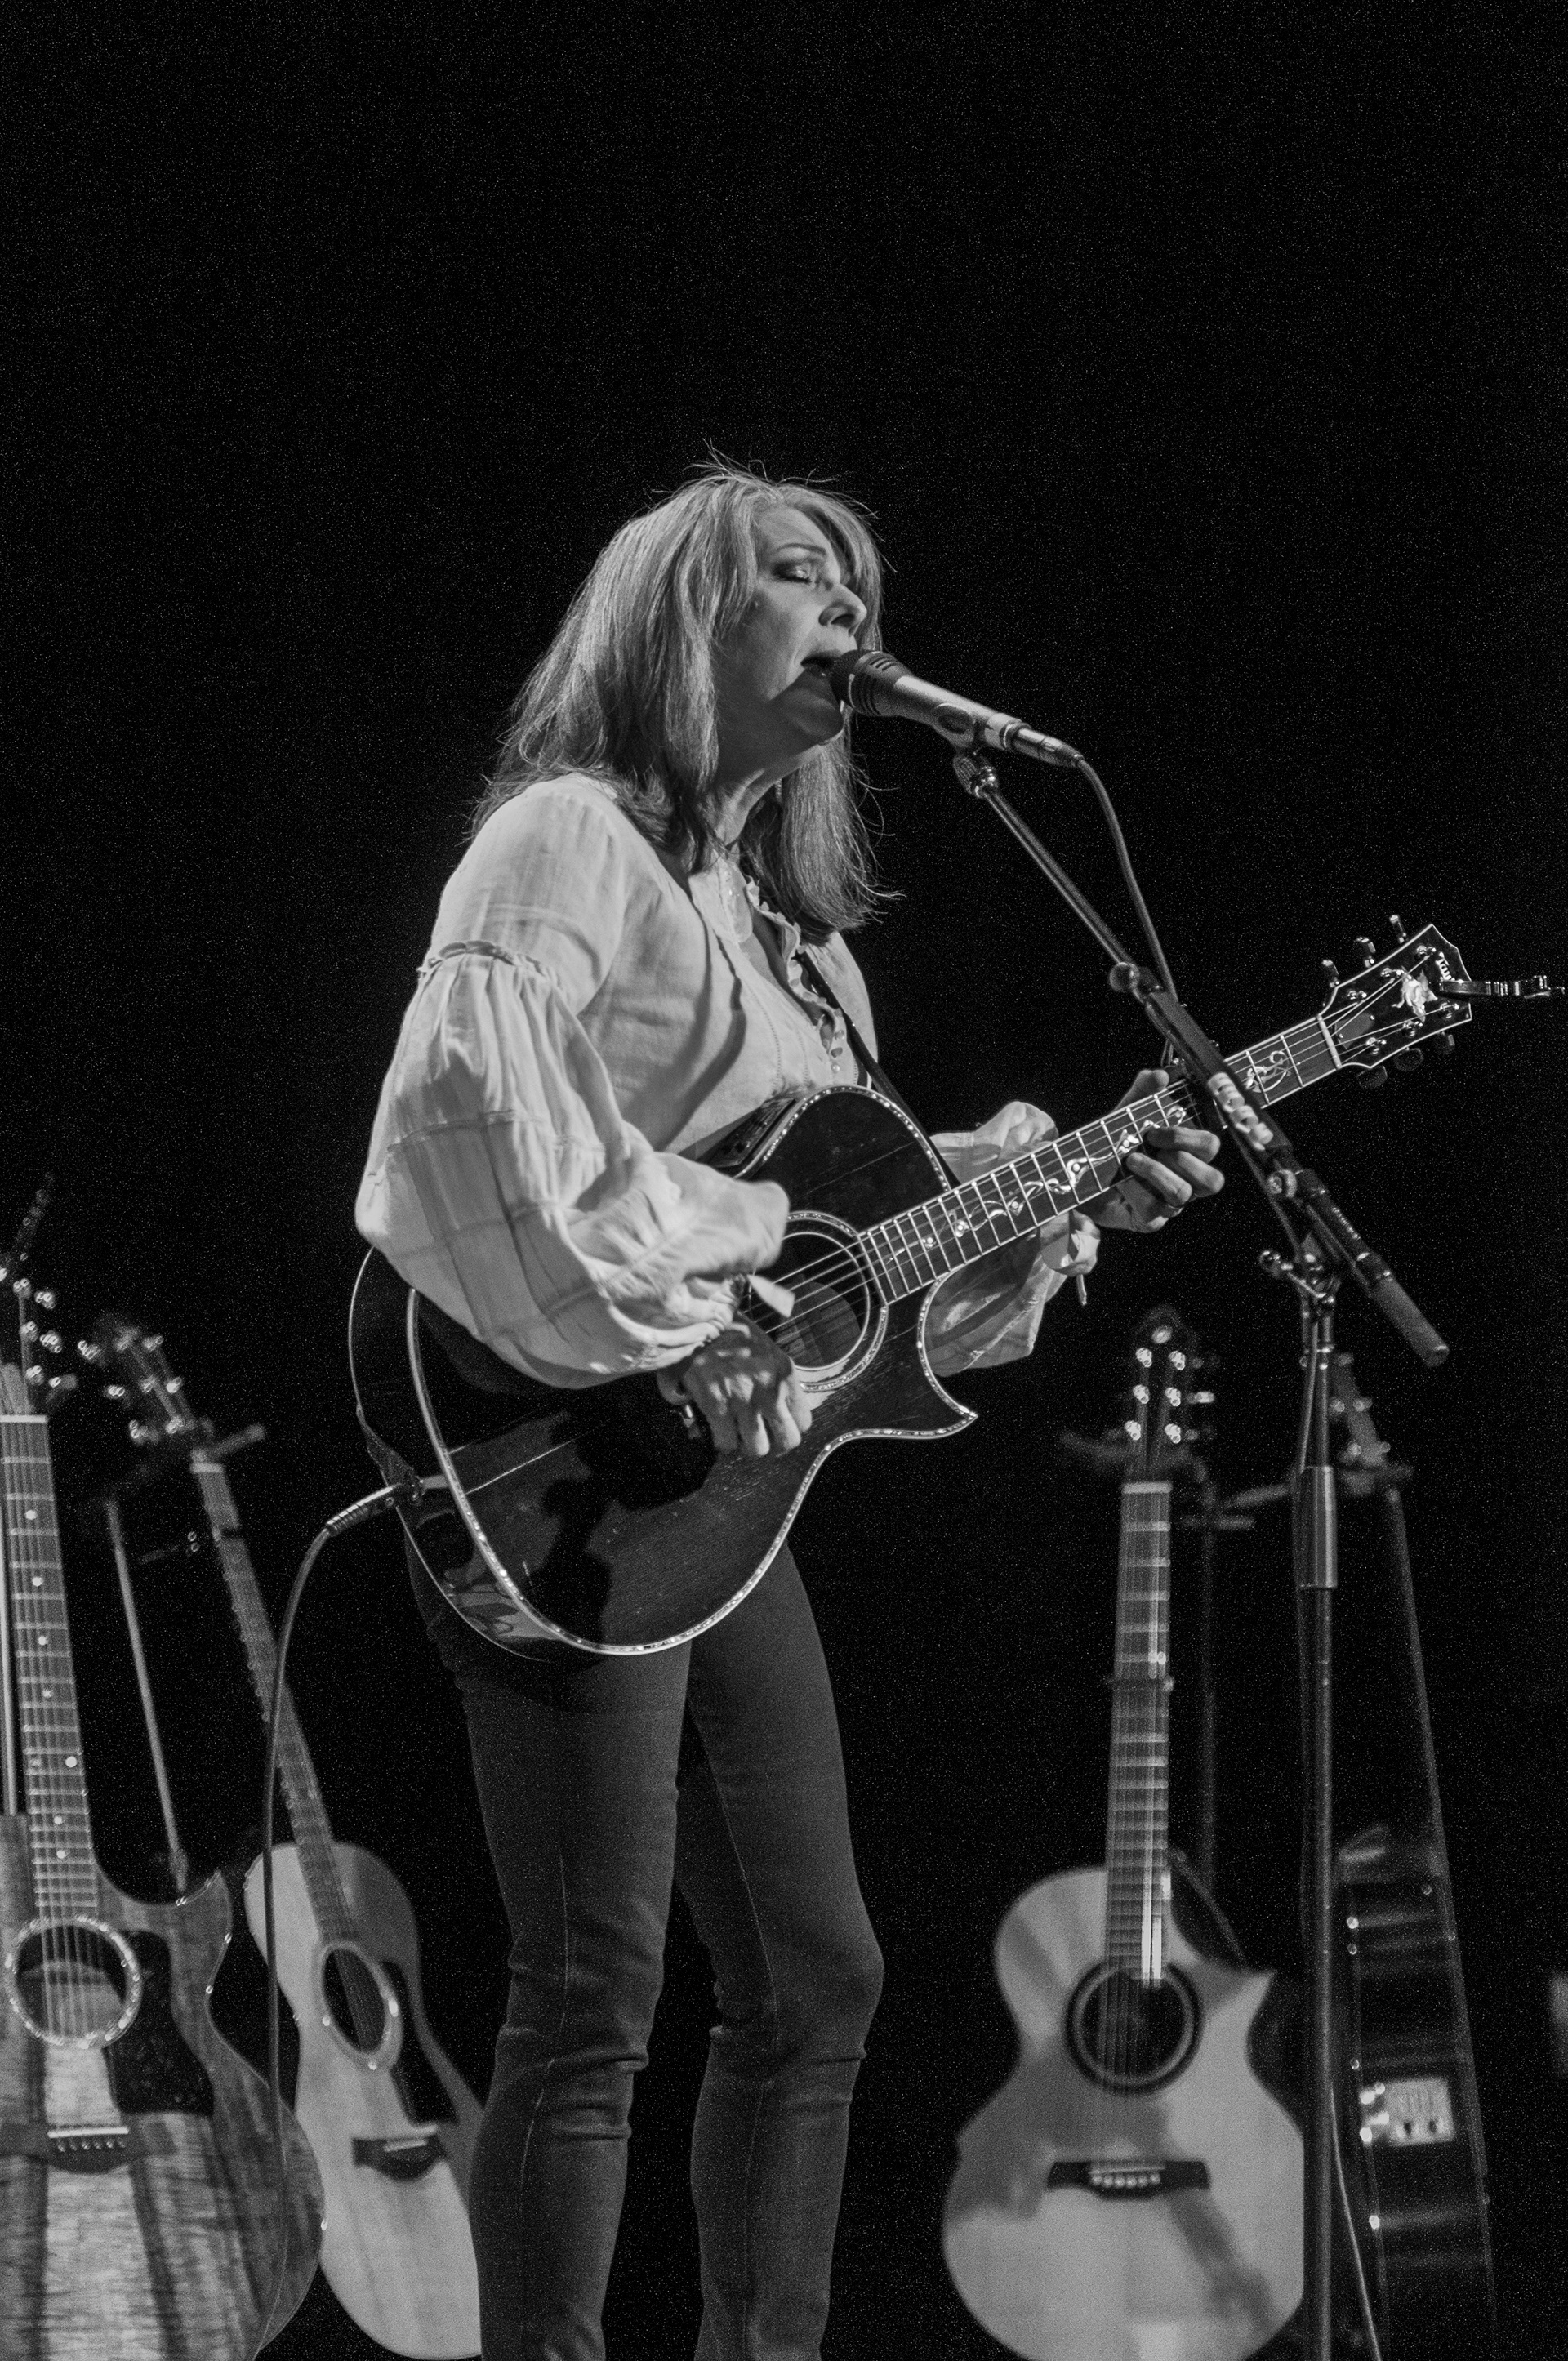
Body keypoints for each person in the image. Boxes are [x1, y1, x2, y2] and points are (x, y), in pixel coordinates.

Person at [355, 462, 1224, 2360]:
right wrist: (744, 1253)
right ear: (685, 617)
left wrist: (1055, 1206)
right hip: (565, 1460)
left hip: (722, 1503)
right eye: (797, 573)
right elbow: (483, 1138)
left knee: (821, 1977)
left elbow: (867, 1295)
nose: (847, 608)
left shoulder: (802, 953)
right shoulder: (566, 842)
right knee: (593, 1988)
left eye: (857, 583)